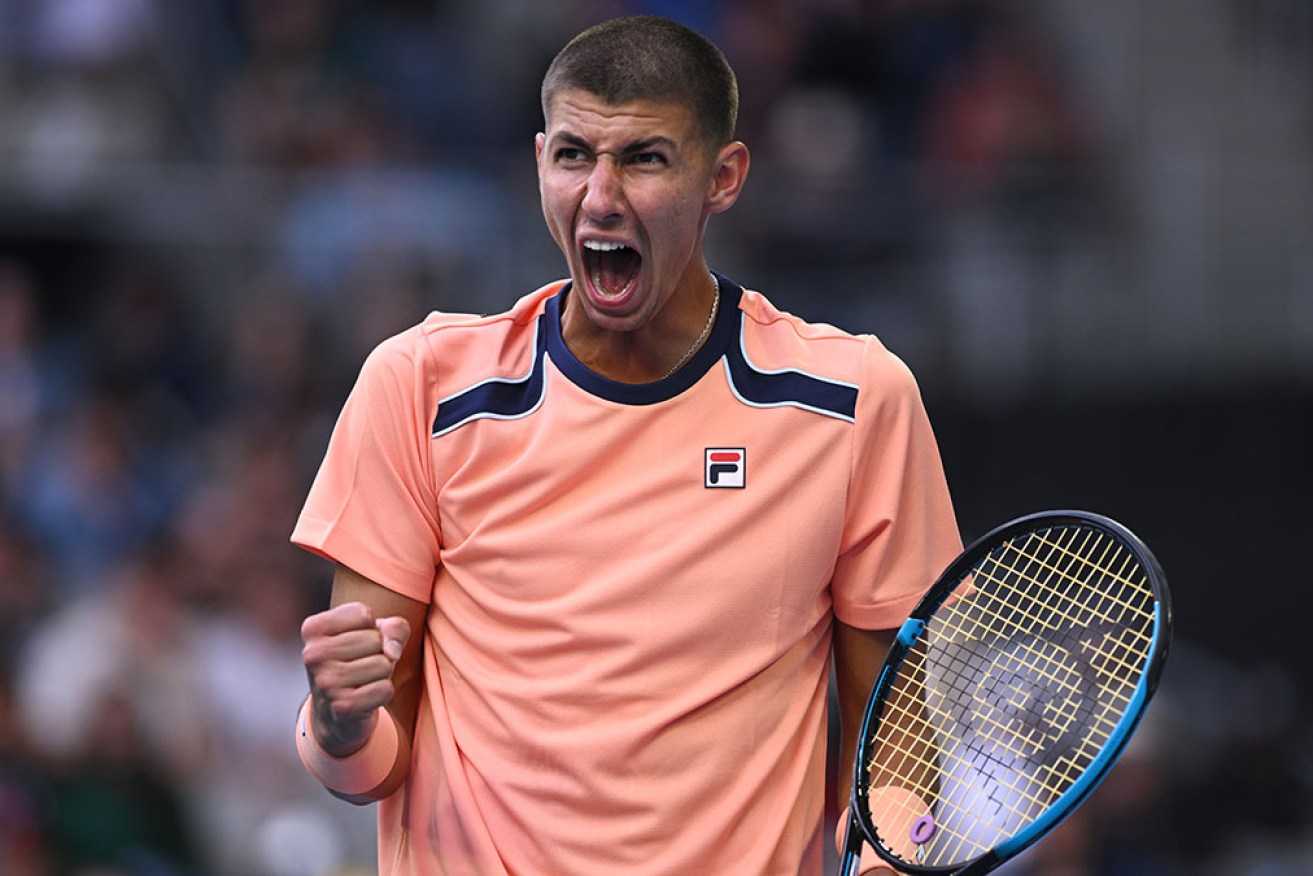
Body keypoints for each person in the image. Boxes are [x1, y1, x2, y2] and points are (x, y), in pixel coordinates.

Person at [292, 15, 961, 875]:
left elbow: (894, 729)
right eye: (573, 155)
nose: (600, 196)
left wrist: (889, 864)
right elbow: (372, 761)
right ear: (540, 162)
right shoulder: (420, 390)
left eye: (644, 158)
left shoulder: (854, 402)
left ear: (723, 177)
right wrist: (336, 726)